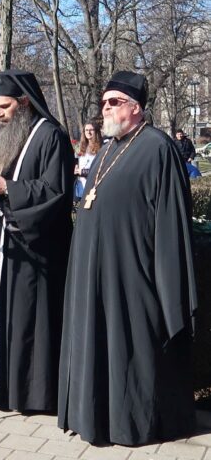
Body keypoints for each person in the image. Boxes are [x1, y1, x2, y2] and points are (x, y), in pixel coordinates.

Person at [58, 71, 197, 445]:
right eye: (103, 102)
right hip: (95, 272)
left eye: (113, 102)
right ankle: (94, 415)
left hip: (134, 276)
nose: (105, 108)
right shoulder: (107, 149)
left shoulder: (157, 147)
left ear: (136, 108)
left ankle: (132, 422)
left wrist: (168, 286)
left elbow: (170, 220)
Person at [0, 69, 74, 413]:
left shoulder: (51, 135)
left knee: (27, 322)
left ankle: (28, 394)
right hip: (0, 246)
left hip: (34, 248)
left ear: (24, 103)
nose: (0, 114)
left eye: (6, 106)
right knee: (4, 317)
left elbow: (56, 191)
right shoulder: (4, 135)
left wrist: (8, 188)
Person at [73, 122, 102, 203]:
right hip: (82, 187)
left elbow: (101, 169)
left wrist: (83, 172)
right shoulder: (81, 148)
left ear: (96, 131)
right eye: (86, 130)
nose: (88, 132)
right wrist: (75, 169)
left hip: (95, 188)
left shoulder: (101, 148)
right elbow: (77, 165)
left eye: (91, 130)